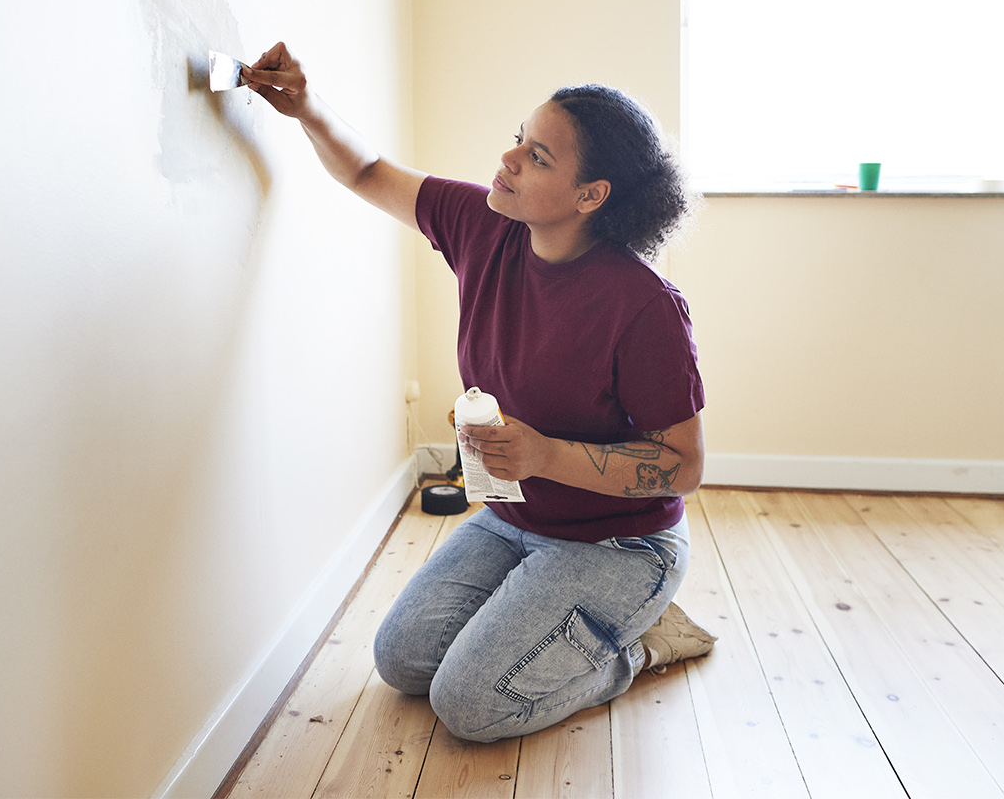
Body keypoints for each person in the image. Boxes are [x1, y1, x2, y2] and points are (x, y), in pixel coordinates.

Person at [241, 42, 716, 743]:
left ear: (592, 196)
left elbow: (683, 465)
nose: (510, 160)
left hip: (619, 545)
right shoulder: (483, 227)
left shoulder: (643, 306)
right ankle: (565, 622)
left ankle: (641, 644)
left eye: (539, 157)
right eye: (519, 140)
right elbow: (368, 171)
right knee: (402, 662)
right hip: (513, 519)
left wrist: (545, 454)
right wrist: (303, 106)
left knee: (470, 705)